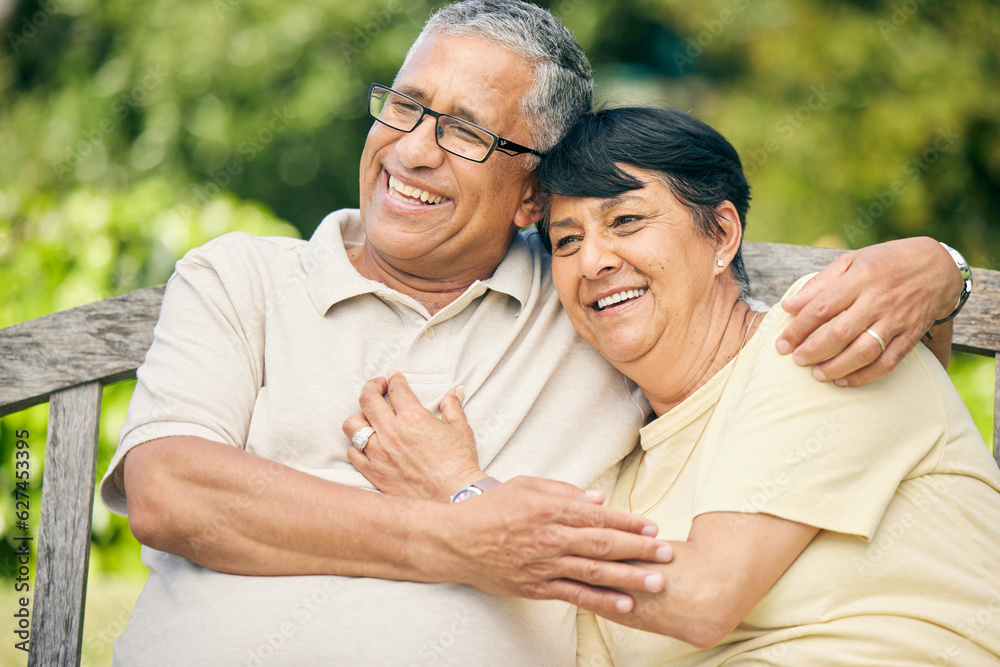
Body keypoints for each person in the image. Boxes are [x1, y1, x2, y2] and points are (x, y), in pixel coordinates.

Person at [99, 0, 968, 663]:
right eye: (403, 107)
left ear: (525, 196)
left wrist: (939, 269)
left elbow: (707, 577)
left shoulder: (615, 322)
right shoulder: (242, 279)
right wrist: (463, 535)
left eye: (466, 132)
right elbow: (171, 492)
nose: (411, 150)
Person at [350, 106, 1000, 665]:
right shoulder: (625, 472)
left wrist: (462, 493)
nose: (595, 260)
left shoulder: (812, 336)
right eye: (567, 239)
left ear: (721, 233)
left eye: (627, 220)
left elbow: (704, 596)